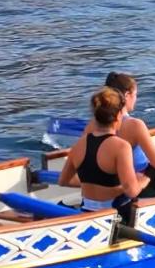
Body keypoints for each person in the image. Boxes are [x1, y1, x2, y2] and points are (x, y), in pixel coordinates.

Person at [59, 87, 149, 221]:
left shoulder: (79, 144)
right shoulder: (121, 146)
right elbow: (132, 190)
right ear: (119, 115)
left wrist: (91, 185)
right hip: (115, 217)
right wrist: (143, 180)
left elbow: (64, 181)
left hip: (86, 211)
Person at [104, 72, 155, 196]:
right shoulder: (135, 125)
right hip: (137, 183)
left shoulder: (96, 124)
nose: (136, 99)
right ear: (127, 95)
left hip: (111, 182)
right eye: (135, 95)